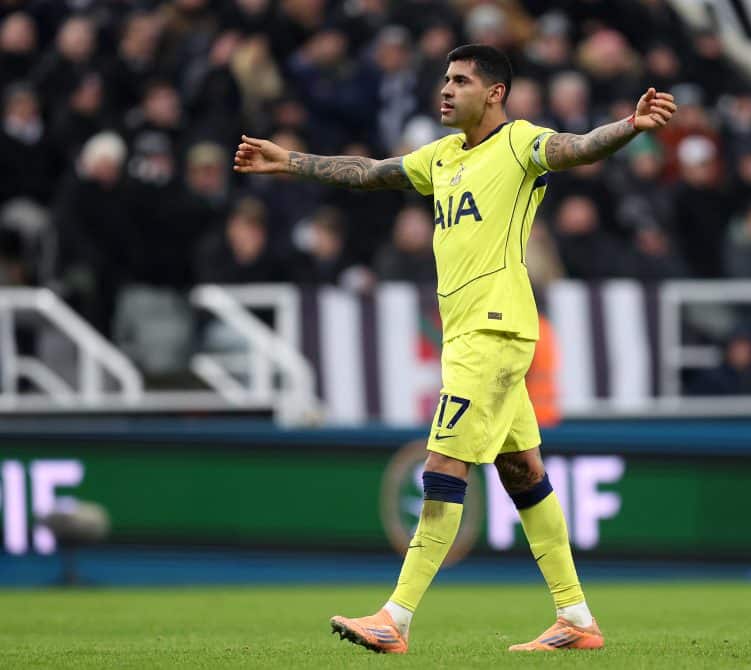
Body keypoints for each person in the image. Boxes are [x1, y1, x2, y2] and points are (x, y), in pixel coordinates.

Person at [234, 44, 676, 653]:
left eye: (461, 80)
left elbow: (577, 147)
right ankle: (575, 616)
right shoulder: (441, 156)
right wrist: (289, 161)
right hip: (473, 334)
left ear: (495, 93)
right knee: (523, 472)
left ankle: (395, 618)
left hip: (493, 331)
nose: (445, 89)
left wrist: (629, 125)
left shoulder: (520, 143)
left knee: (442, 466)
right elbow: (371, 172)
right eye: (445, 79)